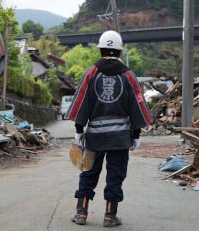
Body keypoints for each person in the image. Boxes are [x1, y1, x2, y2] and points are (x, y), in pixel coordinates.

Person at [66, 30, 153, 227]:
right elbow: (137, 103)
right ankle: (109, 216)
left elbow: (81, 100)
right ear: (120, 52)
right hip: (120, 138)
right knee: (115, 175)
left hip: (94, 136)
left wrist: (79, 129)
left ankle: (81, 213)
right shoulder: (128, 76)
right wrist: (136, 134)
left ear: (100, 49)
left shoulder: (91, 73)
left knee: (88, 172)